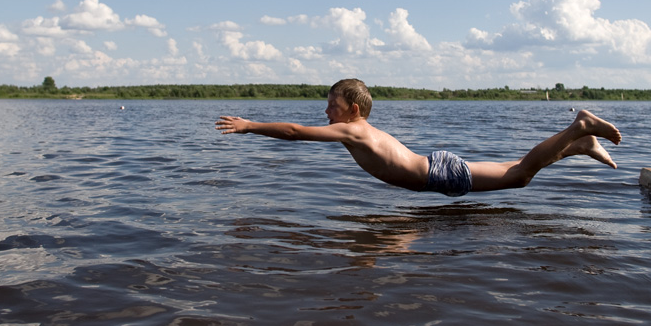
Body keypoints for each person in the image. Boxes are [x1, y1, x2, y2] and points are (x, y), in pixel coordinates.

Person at [215, 78, 621, 197]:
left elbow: (294, 132)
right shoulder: (359, 130)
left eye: (332, 105)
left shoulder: (352, 130)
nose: (327, 112)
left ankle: (578, 127)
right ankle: (577, 147)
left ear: (353, 109)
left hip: (438, 175)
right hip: (436, 166)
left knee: (519, 175)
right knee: (515, 169)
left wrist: (250, 126)